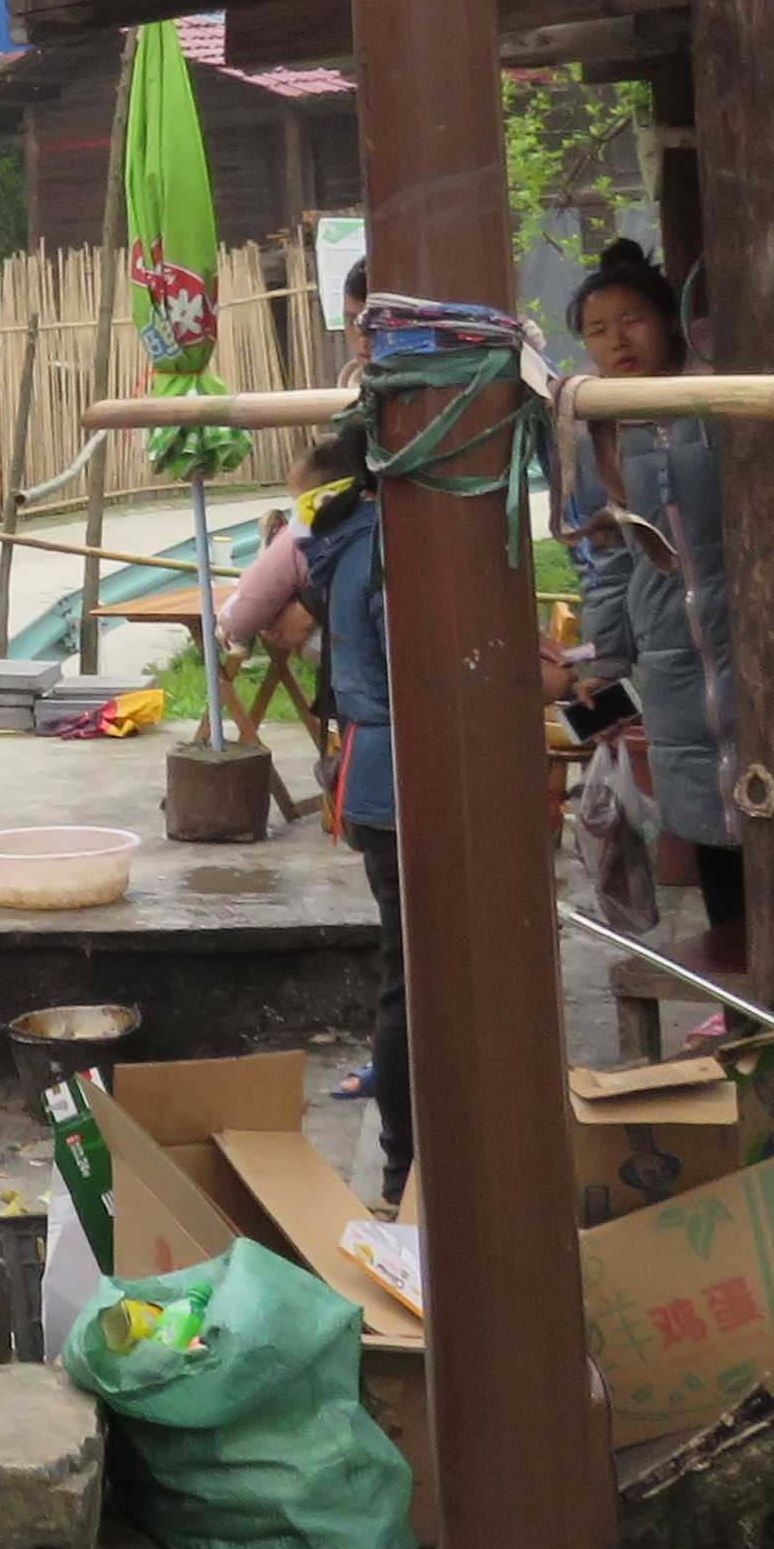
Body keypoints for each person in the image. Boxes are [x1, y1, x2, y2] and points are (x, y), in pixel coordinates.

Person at [563, 239, 742, 970]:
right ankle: (744, 1018)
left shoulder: (717, 398)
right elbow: (603, 556)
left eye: (631, 320)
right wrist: (604, 661)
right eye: (598, 330)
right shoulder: (591, 424)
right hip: (668, 648)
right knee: (708, 834)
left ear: (668, 323)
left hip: (744, 630)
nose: (616, 341)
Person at [292, 412, 411, 1206]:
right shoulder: (384, 548)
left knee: (407, 971)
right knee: (416, 976)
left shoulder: (336, 547)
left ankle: (408, 1156)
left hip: (368, 772)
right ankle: (406, 1164)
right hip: (400, 774)